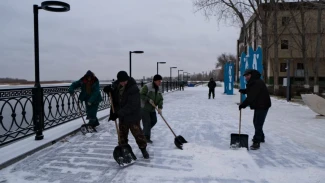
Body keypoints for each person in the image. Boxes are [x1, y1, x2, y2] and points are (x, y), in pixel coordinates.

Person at [103, 71, 149, 159]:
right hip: (123, 116)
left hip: (133, 116)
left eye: (125, 81)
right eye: (121, 81)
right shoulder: (116, 86)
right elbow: (115, 98)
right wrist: (108, 90)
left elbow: (132, 105)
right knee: (122, 136)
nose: (123, 83)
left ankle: (143, 149)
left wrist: (117, 113)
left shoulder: (134, 88)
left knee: (138, 134)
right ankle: (125, 151)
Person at [238, 69, 271, 150]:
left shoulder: (257, 82)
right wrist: (245, 91)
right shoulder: (255, 81)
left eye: (247, 75)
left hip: (263, 105)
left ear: (251, 75)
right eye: (245, 76)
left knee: (258, 123)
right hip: (259, 105)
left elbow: (251, 97)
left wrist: (243, 105)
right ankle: (261, 137)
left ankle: (256, 142)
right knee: (257, 122)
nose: (246, 77)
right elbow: (252, 91)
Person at [140, 74, 164, 143]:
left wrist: (160, 108)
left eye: (160, 81)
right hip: (144, 108)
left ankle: (144, 132)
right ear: (155, 81)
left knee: (154, 121)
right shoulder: (147, 86)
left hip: (152, 108)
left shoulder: (159, 88)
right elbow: (141, 94)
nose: (160, 82)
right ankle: (146, 137)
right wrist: (148, 99)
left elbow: (160, 99)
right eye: (159, 81)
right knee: (147, 123)